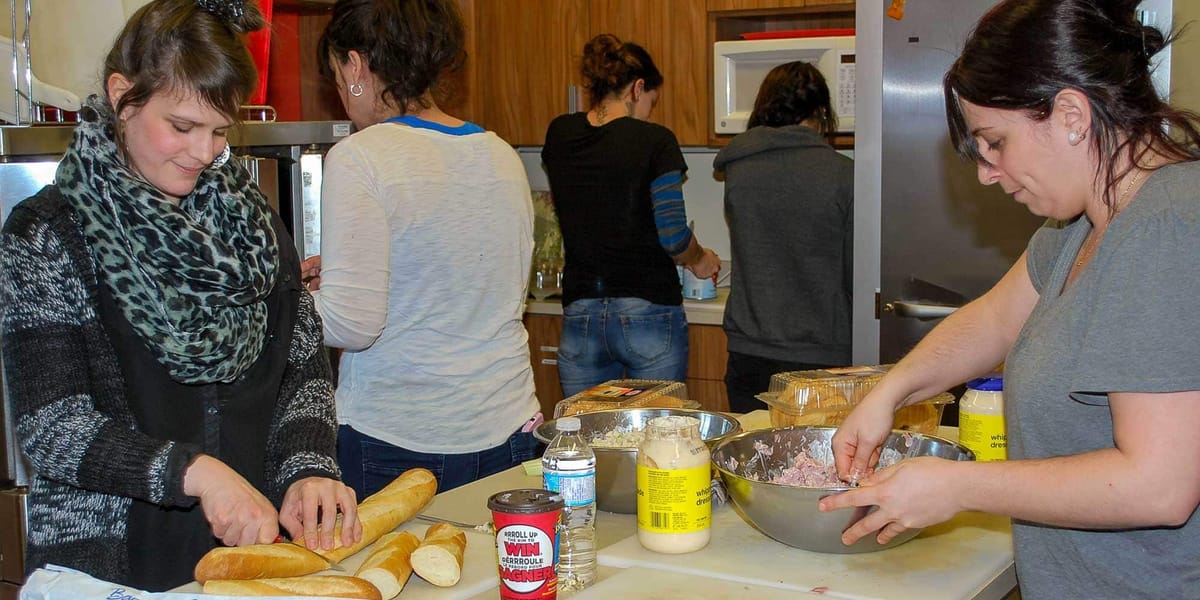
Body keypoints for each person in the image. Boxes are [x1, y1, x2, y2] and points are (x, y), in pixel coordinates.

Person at [820, 1, 1200, 597]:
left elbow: (1159, 485)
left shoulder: (1166, 228)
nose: (986, 173)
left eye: (995, 141)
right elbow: (992, 320)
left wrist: (958, 487)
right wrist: (886, 395)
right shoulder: (1082, 225)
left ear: (1071, 114)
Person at [0, 0, 360, 591]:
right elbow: (52, 426)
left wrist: (308, 468)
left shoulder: (254, 226)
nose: (204, 152)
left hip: (252, 555)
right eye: (182, 127)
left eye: (220, 130)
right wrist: (192, 471)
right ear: (122, 96)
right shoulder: (48, 234)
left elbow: (302, 368)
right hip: (114, 565)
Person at [306, 0, 540, 497]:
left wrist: (285, 297)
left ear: (355, 65)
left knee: (386, 576)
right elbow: (471, 281)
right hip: (508, 428)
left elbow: (353, 324)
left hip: (400, 438)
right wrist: (353, 273)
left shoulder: (359, 156)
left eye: (334, 73)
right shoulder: (501, 154)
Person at [541, 33, 722, 397]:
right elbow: (672, 236)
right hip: (648, 313)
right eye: (651, 102)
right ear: (638, 88)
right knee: (657, 441)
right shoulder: (654, 140)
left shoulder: (560, 134)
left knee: (588, 440)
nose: (649, 113)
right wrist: (701, 260)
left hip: (581, 314)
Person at [713, 61, 853, 414]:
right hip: (821, 357)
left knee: (753, 460)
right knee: (816, 464)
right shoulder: (843, 175)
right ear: (821, 112)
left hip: (748, 353)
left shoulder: (738, 170)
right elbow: (856, 276)